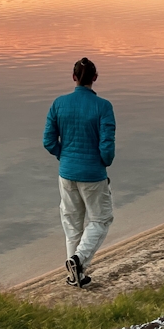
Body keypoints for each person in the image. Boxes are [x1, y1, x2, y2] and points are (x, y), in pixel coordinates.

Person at [43, 57, 116, 289]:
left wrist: (63, 157)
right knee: (101, 219)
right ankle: (78, 261)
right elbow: (107, 148)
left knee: (72, 224)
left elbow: (48, 140)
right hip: (93, 174)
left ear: (74, 77)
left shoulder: (58, 104)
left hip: (66, 173)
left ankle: (76, 276)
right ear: (95, 78)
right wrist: (103, 162)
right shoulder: (103, 107)